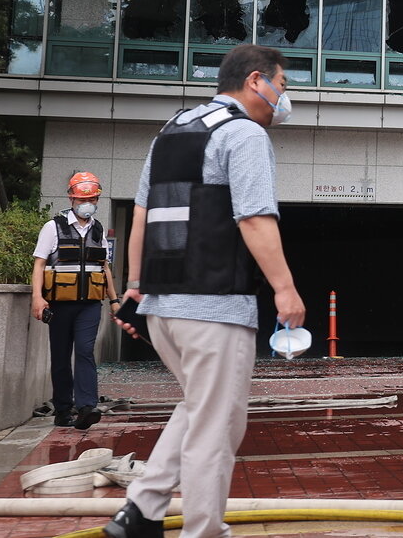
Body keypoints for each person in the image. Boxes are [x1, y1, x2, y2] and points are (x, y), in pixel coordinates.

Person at [103, 43, 306, 538]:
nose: (285, 96)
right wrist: (286, 289)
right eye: (283, 84)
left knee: (199, 408)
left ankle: (142, 512)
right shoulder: (244, 134)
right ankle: (203, 531)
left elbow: (142, 217)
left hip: (164, 310)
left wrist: (135, 287)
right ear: (257, 81)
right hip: (215, 308)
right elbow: (254, 218)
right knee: (217, 429)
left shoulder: (171, 131)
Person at [31, 172, 116, 430]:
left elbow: (105, 267)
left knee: (84, 351)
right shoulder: (53, 227)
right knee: (60, 356)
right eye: (82, 198)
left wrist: (114, 300)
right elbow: (39, 264)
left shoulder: (98, 229)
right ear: (71, 197)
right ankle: (63, 410)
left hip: (90, 303)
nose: (87, 202)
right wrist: (37, 298)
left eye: (92, 198)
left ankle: (87, 407)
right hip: (60, 303)